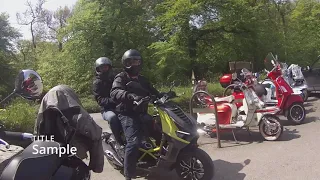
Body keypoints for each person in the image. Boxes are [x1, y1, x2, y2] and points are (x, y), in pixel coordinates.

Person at [110, 49, 162, 180]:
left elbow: (153, 92)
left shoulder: (142, 79)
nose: (135, 64)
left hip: (142, 113)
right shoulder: (121, 77)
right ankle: (129, 175)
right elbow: (115, 92)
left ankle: (162, 161)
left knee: (160, 133)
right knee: (133, 143)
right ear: (126, 63)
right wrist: (128, 95)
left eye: (137, 61)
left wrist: (164, 95)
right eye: (132, 61)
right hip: (127, 114)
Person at [92, 57, 124, 146]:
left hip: (120, 106)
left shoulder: (115, 79)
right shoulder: (97, 83)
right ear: (98, 69)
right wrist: (114, 100)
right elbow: (100, 100)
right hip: (107, 109)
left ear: (109, 67)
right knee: (113, 117)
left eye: (106, 67)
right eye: (102, 67)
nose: (105, 69)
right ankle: (118, 141)